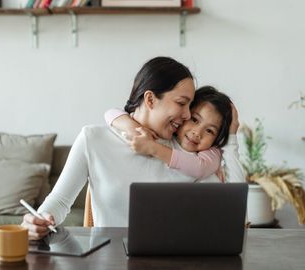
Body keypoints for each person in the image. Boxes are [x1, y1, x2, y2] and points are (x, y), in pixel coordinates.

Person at [22, 56, 245, 240]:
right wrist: (39, 219)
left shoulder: (188, 154)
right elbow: (60, 201)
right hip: (109, 262)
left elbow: (235, 211)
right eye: (181, 103)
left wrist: (232, 137)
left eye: (190, 105)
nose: (187, 115)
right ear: (150, 99)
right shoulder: (94, 139)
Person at [105, 86, 236, 179]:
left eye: (209, 130)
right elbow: (111, 113)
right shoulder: (165, 136)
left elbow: (199, 167)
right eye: (195, 120)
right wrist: (134, 129)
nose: (197, 133)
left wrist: (153, 148)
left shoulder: (212, 153)